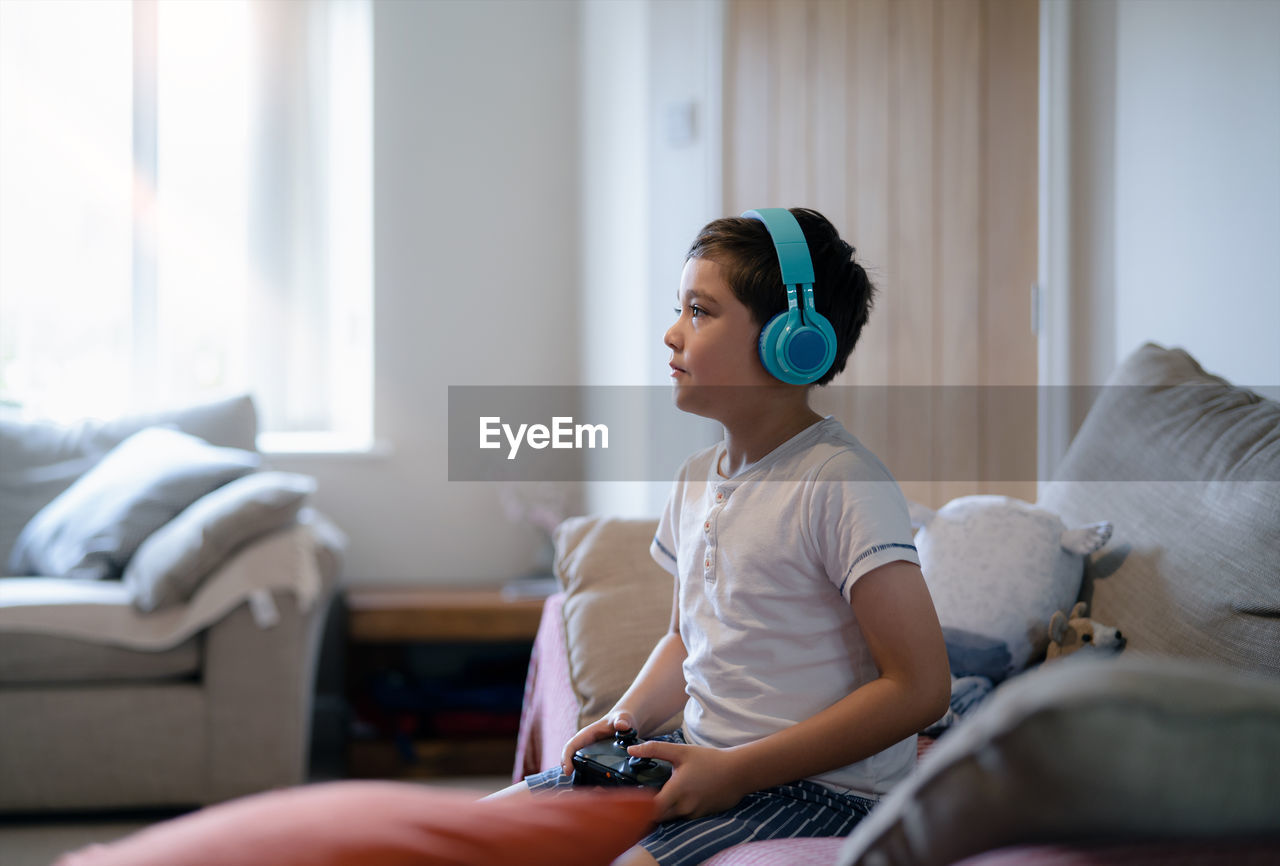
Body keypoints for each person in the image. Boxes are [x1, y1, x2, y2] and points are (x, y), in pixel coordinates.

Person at [492, 208, 950, 866]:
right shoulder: (694, 478)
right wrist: (624, 721)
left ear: (792, 341)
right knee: (475, 836)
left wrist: (736, 772)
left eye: (700, 311)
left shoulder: (841, 482)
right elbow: (685, 640)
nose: (672, 334)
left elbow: (921, 686)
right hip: (703, 765)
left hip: (823, 792)